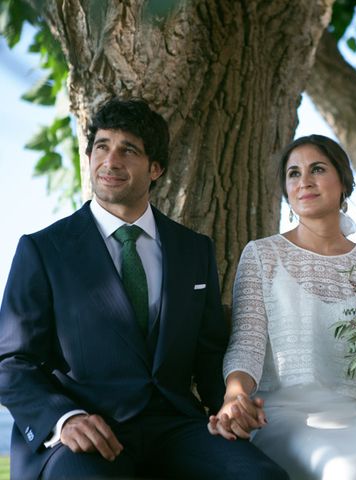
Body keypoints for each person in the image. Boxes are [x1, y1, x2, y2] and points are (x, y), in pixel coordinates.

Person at [0, 99, 287, 479]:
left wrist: (229, 405)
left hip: (176, 427)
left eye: (128, 150)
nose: (111, 160)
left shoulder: (193, 249)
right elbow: (11, 361)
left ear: (155, 168)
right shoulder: (43, 249)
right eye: (102, 146)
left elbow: (209, 352)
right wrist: (65, 419)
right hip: (89, 431)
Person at [212, 134, 356, 479]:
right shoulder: (262, 255)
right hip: (286, 415)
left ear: (343, 182)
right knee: (343, 471)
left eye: (317, 169)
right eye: (293, 173)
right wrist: (235, 395)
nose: (304, 181)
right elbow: (246, 344)